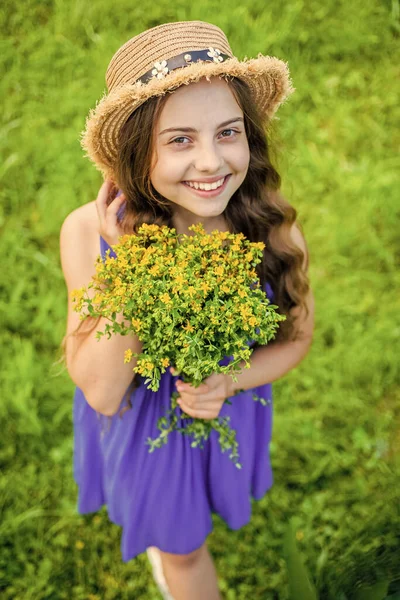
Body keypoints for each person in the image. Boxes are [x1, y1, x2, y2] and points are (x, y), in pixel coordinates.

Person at [59, 20, 315, 600]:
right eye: (179, 140)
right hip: (146, 419)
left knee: (202, 517)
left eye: (228, 132)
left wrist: (230, 379)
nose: (210, 162)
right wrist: (130, 266)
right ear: (134, 153)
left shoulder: (270, 229)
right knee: (184, 548)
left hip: (222, 404)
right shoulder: (88, 234)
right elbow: (101, 391)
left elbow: (298, 338)